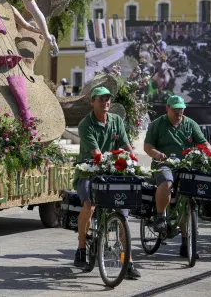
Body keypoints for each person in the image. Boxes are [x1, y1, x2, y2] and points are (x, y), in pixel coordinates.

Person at [72, 86, 140, 279]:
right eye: (101, 99)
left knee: (123, 216)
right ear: (92, 102)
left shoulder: (116, 120)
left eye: (107, 99)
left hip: (112, 169)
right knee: (89, 206)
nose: (105, 102)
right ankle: (81, 248)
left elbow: (126, 145)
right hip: (88, 170)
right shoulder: (86, 124)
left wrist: (134, 161)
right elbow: (96, 155)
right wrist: (114, 160)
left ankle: (129, 263)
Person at [143, 95, 211, 258]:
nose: (178, 112)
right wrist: (156, 153)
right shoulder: (157, 124)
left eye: (181, 109)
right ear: (167, 108)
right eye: (175, 109)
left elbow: (203, 142)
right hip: (164, 163)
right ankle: (160, 217)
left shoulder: (190, 124)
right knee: (167, 181)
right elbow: (147, 146)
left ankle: (186, 241)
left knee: (186, 199)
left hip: (186, 164)